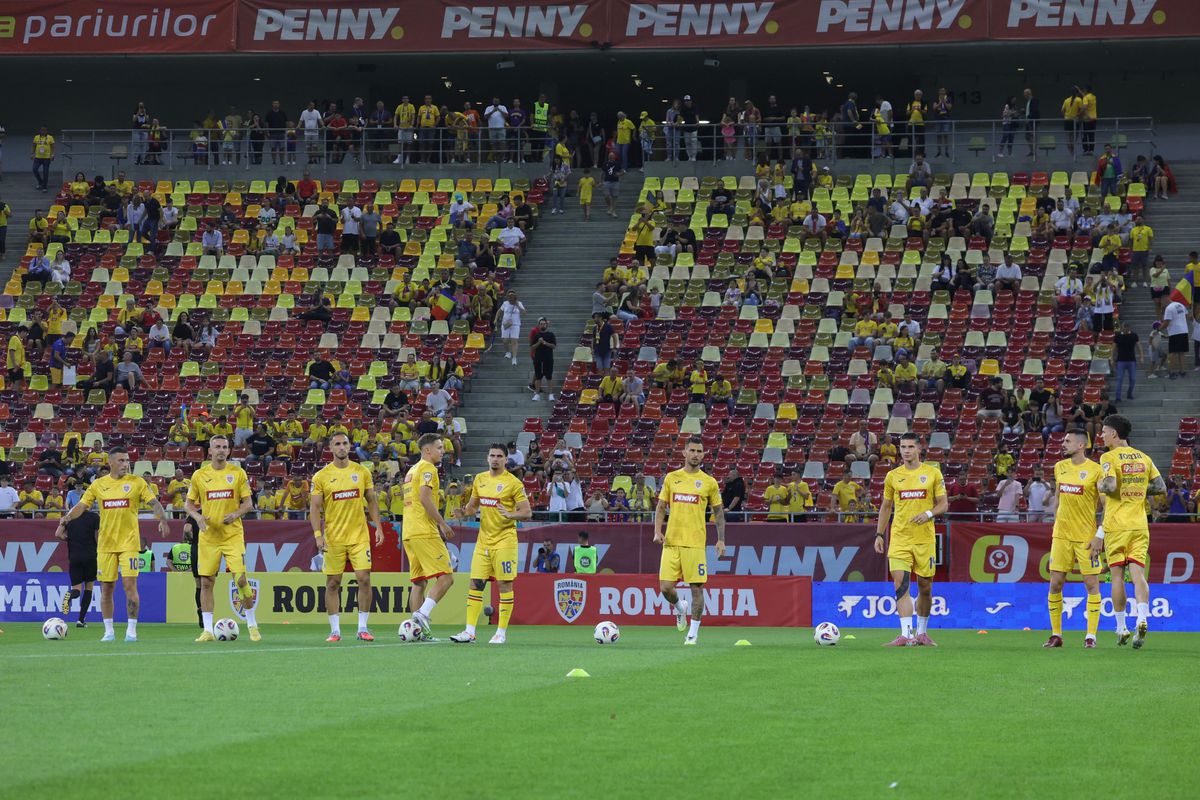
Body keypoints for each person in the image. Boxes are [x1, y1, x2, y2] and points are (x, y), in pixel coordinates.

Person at [54, 448, 170, 642]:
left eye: (128, 460)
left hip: (129, 544)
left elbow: (153, 503)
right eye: (122, 461)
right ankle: (108, 631)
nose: (126, 464)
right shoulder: (99, 485)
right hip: (105, 545)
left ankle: (131, 631)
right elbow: (82, 507)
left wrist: (162, 518)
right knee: (106, 587)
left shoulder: (137, 482)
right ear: (111, 463)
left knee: (129, 585)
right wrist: (65, 519)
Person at [1091, 414, 1165, 648]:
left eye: (1103, 431)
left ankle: (1121, 627)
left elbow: (1110, 486)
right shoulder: (1144, 457)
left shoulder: (1108, 457)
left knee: (1116, 577)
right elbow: (1160, 487)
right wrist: (1137, 489)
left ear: (1114, 433)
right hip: (1140, 524)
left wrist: (1099, 484)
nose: (1101, 435)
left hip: (1116, 524)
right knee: (1138, 574)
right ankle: (1142, 618)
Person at [449, 445, 533, 644]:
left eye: (499, 456)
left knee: (504, 584)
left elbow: (527, 512)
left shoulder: (513, 483)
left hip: (505, 540)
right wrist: (464, 512)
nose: (495, 459)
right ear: (487, 458)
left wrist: (511, 514)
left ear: (506, 460)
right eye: (492, 456)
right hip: (483, 541)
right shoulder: (480, 479)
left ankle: (501, 633)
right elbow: (473, 506)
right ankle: (470, 632)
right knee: (475, 583)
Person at [310, 432, 386, 642]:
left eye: (345, 443)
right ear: (331, 448)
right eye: (337, 444)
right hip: (333, 538)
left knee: (364, 579)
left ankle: (363, 627)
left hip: (359, 536)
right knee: (333, 583)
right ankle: (335, 630)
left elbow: (371, 501)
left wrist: (378, 527)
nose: (342, 447)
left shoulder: (361, 472)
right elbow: (315, 508)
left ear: (350, 446)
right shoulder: (321, 476)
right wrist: (318, 535)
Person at [184, 436, 260, 642]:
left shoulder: (237, 473)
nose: (220, 450)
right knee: (206, 582)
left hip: (233, 535)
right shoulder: (200, 475)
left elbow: (248, 503)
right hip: (209, 537)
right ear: (209, 451)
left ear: (228, 451)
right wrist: (198, 517)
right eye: (217, 447)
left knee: (241, 579)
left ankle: (252, 624)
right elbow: (188, 504)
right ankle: (208, 630)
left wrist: (235, 514)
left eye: (224, 447)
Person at [875, 433, 947, 647]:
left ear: (918, 449)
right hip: (899, 538)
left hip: (924, 539)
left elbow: (943, 504)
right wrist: (879, 534)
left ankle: (922, 633)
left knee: (925, 587)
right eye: (903, 447)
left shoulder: (932, 473)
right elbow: (886, 507)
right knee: (901, 584)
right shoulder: (893, 476)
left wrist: (928, 514)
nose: (906, 451)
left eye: (910, 447)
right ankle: (906, 634)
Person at [653, 437, 725, 645]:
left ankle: (692, 634)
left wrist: (721, 539)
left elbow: (718, 512)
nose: (695, 454)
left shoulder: (709, 482)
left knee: (697, 589)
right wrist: (658, 531)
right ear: (684, 453)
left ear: (703, 455)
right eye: (692, 450)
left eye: (699, 451)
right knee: (665, 588)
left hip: (695, 544)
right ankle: (679, 607)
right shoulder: (671, 478)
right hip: (672, 542)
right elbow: (661, 507)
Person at [1038, 428, 1105, 647]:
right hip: (1061, 535)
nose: (1063, 444)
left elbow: (1107, 507)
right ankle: (1056, 635)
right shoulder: (1060, 467)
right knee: (1055, 583)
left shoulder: (1095, 471)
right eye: (1063, 440)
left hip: (1086, 536)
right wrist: (1055, 524)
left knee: (1091, 583)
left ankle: (1091, 636)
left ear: (1081, 445)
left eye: (1067, 441)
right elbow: (1058, 498)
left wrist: (1100, 535)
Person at [402, 433, 457, 638]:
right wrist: (442, 524)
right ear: (427, 450)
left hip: (409, 532)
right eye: (440, 448)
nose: (443, 451)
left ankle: (416, 631)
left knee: (419, 583)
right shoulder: (428, 468)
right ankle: (421, 617)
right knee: (446, 578)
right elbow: (425, 497)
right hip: (424, 530)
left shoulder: (411, 470)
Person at [55, 508, 100, 628]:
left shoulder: (69, 517)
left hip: (74, 556)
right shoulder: (94, 517)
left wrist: (69, 540)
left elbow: (58, 534)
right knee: (89, 587)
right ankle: (80, 620)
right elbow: (99, 535)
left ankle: (70, 595)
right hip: (90, 555)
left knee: (76, 589)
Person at [1162, 298, 1191, 379]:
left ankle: (1172, 372)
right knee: (1182, 352)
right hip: (1184, 331)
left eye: (1162, 302)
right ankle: (1182, 371)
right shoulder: (1180, 305)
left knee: (1173, 353)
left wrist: (1158, 329)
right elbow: (1186, 315)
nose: (1162, 305)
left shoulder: (1169, 308)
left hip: (1175, 332)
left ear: (1165, 299)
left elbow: (1166, 322)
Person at [1112, 321, 1141, 401]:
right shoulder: (1118, 336)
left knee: (1133, 379)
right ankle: (1118, 397)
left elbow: (1139, 346)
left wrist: (1141, 356)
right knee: (1120, 379)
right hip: (1120, 361)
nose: (1125, 329)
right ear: (1122, 328)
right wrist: (1112, 359)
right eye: (1124, 328)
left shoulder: (1134, 335)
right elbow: (1113, 348)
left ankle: (1129, 393)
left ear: (1129, 328)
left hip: (1131, 361)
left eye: (1127, 328)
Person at [530, 316, 557, 401]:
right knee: (538, 377)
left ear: (546, 325)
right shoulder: (536, 335)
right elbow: (532, 347)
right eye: (541, 324)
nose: (543, 325)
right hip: (538, 359)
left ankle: (551, 394)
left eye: (544, 324)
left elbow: (553, 346)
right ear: (539, 325)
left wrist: (545, 343)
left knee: (549, 377)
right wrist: (539, 342)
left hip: (548, 359)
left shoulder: (551, 335)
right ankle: (537, 394)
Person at [497, 291, 526, 365]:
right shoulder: (505, 303)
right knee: (505, 340)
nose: (510, 298)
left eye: (512, 296)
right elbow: (499, 311)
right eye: (509, 296)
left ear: (515, 297)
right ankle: (508, 352)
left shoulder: (519, 303)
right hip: (506, 324)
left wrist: (518, 306)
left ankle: (514, 358)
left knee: (514, 341)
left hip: (515, 324)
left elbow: (524, 313)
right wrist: (495, 319)